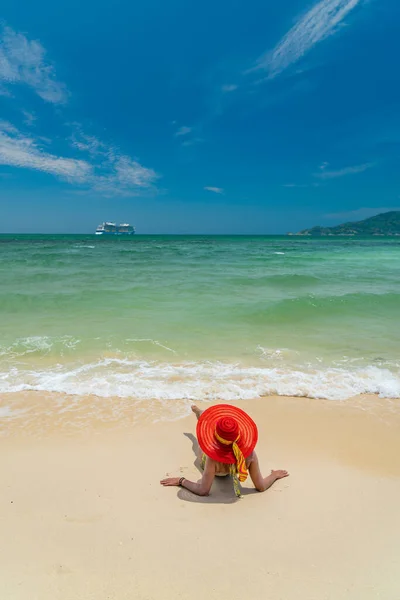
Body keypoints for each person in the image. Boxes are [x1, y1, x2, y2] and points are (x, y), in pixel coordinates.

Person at [160, 404, 289, 498]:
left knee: (199, 442)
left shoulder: (211, 457)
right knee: (210, 425)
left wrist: (181, 481)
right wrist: (274, 475)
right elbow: (261, 486)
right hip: (225, 465)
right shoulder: (250, 454)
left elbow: (203, 490)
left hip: (209, 462)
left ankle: (199, 412)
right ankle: (198, 411)